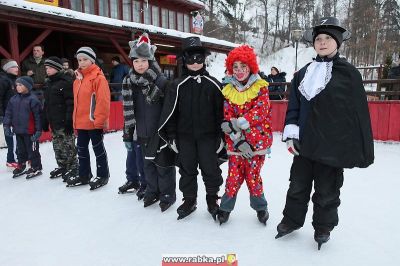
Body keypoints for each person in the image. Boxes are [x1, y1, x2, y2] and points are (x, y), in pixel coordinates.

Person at [275, 17, 374, 250]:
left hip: (332, 145)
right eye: (318, 39)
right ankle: (291, 220)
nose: (322, 42)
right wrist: (291, 133)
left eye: (328, 38)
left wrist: (353, 146)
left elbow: (357, 113)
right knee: (297, 185)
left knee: (327, 190)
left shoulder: (349, 74)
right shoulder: (302, 73)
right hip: (305, 145)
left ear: (337, 42)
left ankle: (323, 227)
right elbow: (294, 106)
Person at [159, 36, 224, 220]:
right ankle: (189, 200)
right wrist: (171, 136)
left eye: (199, 58)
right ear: (184, 60)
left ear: (204, 59)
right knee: (187, 170)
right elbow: (170, 114)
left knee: (210, 169)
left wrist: (221, 137)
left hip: (209, 138)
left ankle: (212, 199)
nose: (195, 63)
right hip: (184, 137)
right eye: (190, 59)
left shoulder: (214, 85)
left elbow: (221, 113)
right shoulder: (176, 85)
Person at [217, 45, 273, 225]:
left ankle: (260, 208)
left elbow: (261, 111)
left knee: (253, 177)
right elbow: (227, 117)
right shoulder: (228, 88)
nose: (239, 71)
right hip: (235, 144)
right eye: (235, 67)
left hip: (257, 143)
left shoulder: (260, 87)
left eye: (243, 67)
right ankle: (225, 208)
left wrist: (239, 122)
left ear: (250, 67)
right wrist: (238, 139)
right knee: (233, 177)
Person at [122, 33, 176, 211]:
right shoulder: (129, 82)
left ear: (150, 61)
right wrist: (128, 134)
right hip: (141, 132)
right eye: (136, 61)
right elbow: (128, 111)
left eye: (143, 61)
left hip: (159, 132)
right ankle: (152, 191)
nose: (139, 65)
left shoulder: (161, 81)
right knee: (147, 165)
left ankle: (167, 193)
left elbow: (170, 109)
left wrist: (169, 132)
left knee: (163, 164)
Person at [66, 47, 111, 190]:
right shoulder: (77, 80)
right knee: (81, 150)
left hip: (93, 122)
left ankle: (103, 175)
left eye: (85, 59)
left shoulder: (98, 78)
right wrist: (75, 122)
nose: (82, 62)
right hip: (80, 123)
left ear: (92, 60)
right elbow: (77, 104)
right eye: (79, 60)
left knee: (98, 150)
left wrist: (99, 121)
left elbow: (103, 102)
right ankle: (84, 175)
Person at [42, 56, 78, 181]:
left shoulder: (66, 81)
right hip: (54, 120)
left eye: (50, 68)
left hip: (64, 120)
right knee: (57, 145)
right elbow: (46, 103)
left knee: (68, 145)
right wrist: (45, 119)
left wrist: (69, 121)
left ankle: (73, 167)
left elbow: (70, 103)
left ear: (57, 68)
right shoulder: (48, 83)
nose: (48, 70)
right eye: (46, 68)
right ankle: (62, 165)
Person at [3, 76, 43, 179]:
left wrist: (38, 130)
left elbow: (38, 117)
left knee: (32, 150)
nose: (17, 87)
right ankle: (22, 165)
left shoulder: (33, 99)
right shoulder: (13, 99)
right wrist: (6, 126)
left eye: (20, 85)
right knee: (20, 150)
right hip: (18, 130)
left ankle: (36, 167)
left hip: (31, 131)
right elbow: (8, 114)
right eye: (17, 85)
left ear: (27, 86)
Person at [0, 59, 19, 169]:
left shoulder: (14, 80)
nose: (17, 69)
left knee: (16, 137)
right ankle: (11, 160)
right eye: (13, 67)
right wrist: (2, 115)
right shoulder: (3, 80)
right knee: (12, 138)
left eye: (17, 67)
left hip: (16, 113)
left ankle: (16, 157)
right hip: (8, 115)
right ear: (7, 69)